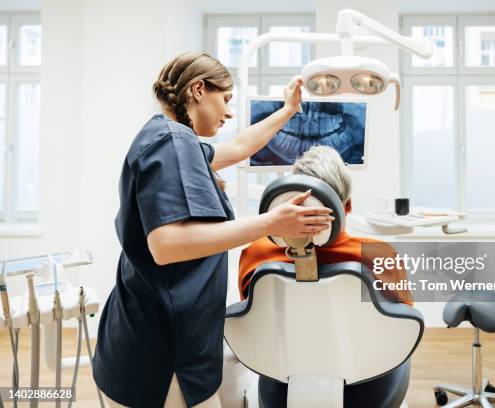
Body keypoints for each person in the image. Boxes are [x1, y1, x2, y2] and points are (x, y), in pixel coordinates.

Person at [92, 52, 334, 408]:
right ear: (198, 89)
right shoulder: (172, 141)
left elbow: (237, 148)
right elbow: (167, 245)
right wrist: (272, 223)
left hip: (142, 334)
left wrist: (288, 110)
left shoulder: (173, 140)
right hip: (160, 355)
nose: (230, 112)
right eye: (226, 99)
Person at [238, 145, 414, 306]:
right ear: (348, 206)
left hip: (278, 342)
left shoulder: (255, 254)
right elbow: (401, 323)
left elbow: (253, 321)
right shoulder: (382, 257)